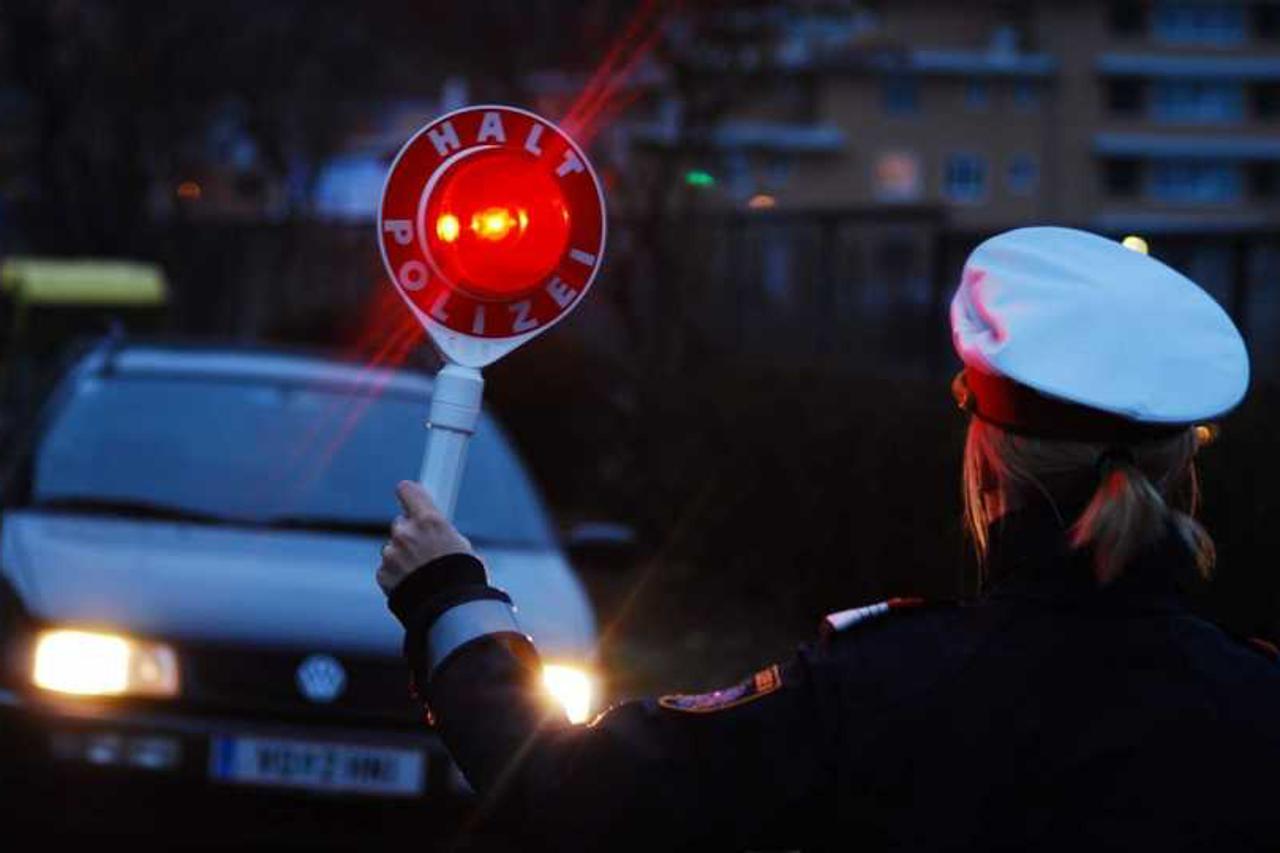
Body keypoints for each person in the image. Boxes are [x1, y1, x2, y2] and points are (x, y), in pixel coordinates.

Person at [375, 226, 1280, 852]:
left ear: (987, 454)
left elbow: (568, 791)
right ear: (1180, 463)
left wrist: (449, 598)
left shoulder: (884, 684)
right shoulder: (1255, 702)